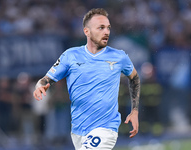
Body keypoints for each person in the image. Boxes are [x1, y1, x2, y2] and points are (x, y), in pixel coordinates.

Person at [33, 8, 140, 150]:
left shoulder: (119, 56)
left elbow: (134, 78)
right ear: (86, 32)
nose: (106, 32)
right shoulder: (70, 55)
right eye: (101, 28)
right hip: (78, 129)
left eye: (108, 28)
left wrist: (135, 110)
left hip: (105, 128)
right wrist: (39, 85)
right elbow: (46, 79)